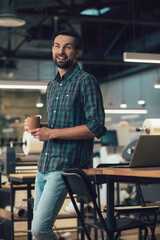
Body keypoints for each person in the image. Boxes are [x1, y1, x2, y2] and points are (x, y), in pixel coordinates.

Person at [24, 28, 106, 240]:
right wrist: (40, 129)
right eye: (57, 46)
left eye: (67, 47)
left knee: (39, 230)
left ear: (77, 52)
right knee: (36, 232)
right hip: (44, 165)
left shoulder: (86, 81)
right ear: (52, 50)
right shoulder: (52, 86)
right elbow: (59, 126)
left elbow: (95, 127)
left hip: (65, 166)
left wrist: (51, 133)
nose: (61, 51)